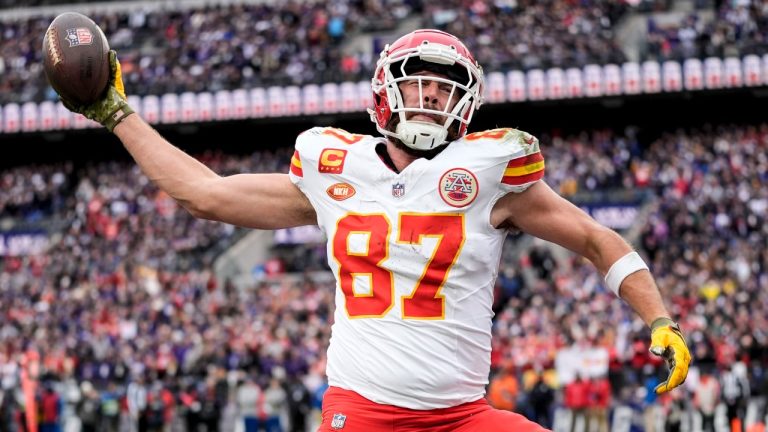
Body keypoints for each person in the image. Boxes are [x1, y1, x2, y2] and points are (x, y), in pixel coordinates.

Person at [55, 28, 692, 431]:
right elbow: (205, 195)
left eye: (444, 93)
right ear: (386, 92)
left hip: (462, 417)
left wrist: (661, 321)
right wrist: (116, 113)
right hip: (364, 414)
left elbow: (595, 239)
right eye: (418, 88)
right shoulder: (335, 168)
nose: (429, 102)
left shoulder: (492, 173)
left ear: (464, 106)